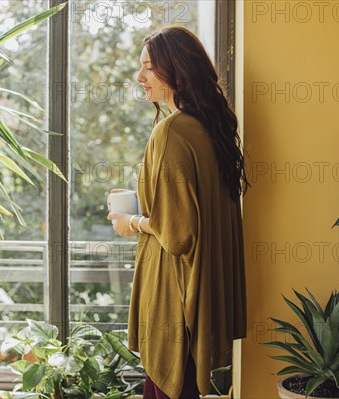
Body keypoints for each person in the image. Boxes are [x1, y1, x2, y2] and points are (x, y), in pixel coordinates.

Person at [107, 26, 248, 399]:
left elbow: (179, 232)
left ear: (178, 72)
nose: (140, 78)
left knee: (169, 389)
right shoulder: (207, 128)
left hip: (174, 292)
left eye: (149, 68)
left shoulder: (171, 132)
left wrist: (130, 222)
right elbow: (193, 208)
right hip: (202, 291)